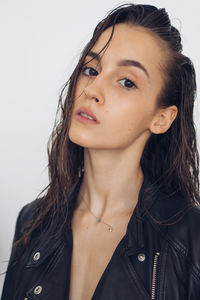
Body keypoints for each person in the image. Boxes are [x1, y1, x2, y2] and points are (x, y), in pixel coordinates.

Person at [1, 3, 200, 300]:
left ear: (161, 118)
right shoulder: (33, 221)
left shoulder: (192, 238)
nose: (92, 88)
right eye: (91, 69)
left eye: (126, 82)